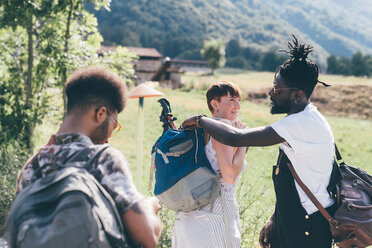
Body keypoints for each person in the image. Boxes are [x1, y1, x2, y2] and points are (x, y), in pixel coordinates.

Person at [181, 36, 337, 248]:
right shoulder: (301, 121)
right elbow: (297, 180)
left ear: (297, 95)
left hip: (305, 229)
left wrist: (201, 120)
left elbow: (234, 137)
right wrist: (275, 220)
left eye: (277, 88)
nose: (271, 92)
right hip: (296, 222)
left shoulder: (301, 124)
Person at [16, 66, 162, 248]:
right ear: (100, 114)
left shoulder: (30, 167)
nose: (109, 137)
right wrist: (149, 205)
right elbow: (147, 237)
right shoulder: (102, 159)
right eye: (114, 125)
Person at [172, 81, 247, 248]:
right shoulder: (222, 129)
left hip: (189, 216)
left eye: (239, 100)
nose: (238, 106)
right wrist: (243, 141)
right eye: (231, 100)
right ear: (215, 104)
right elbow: (228, 176)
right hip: (215, 217)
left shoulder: (200, 129)